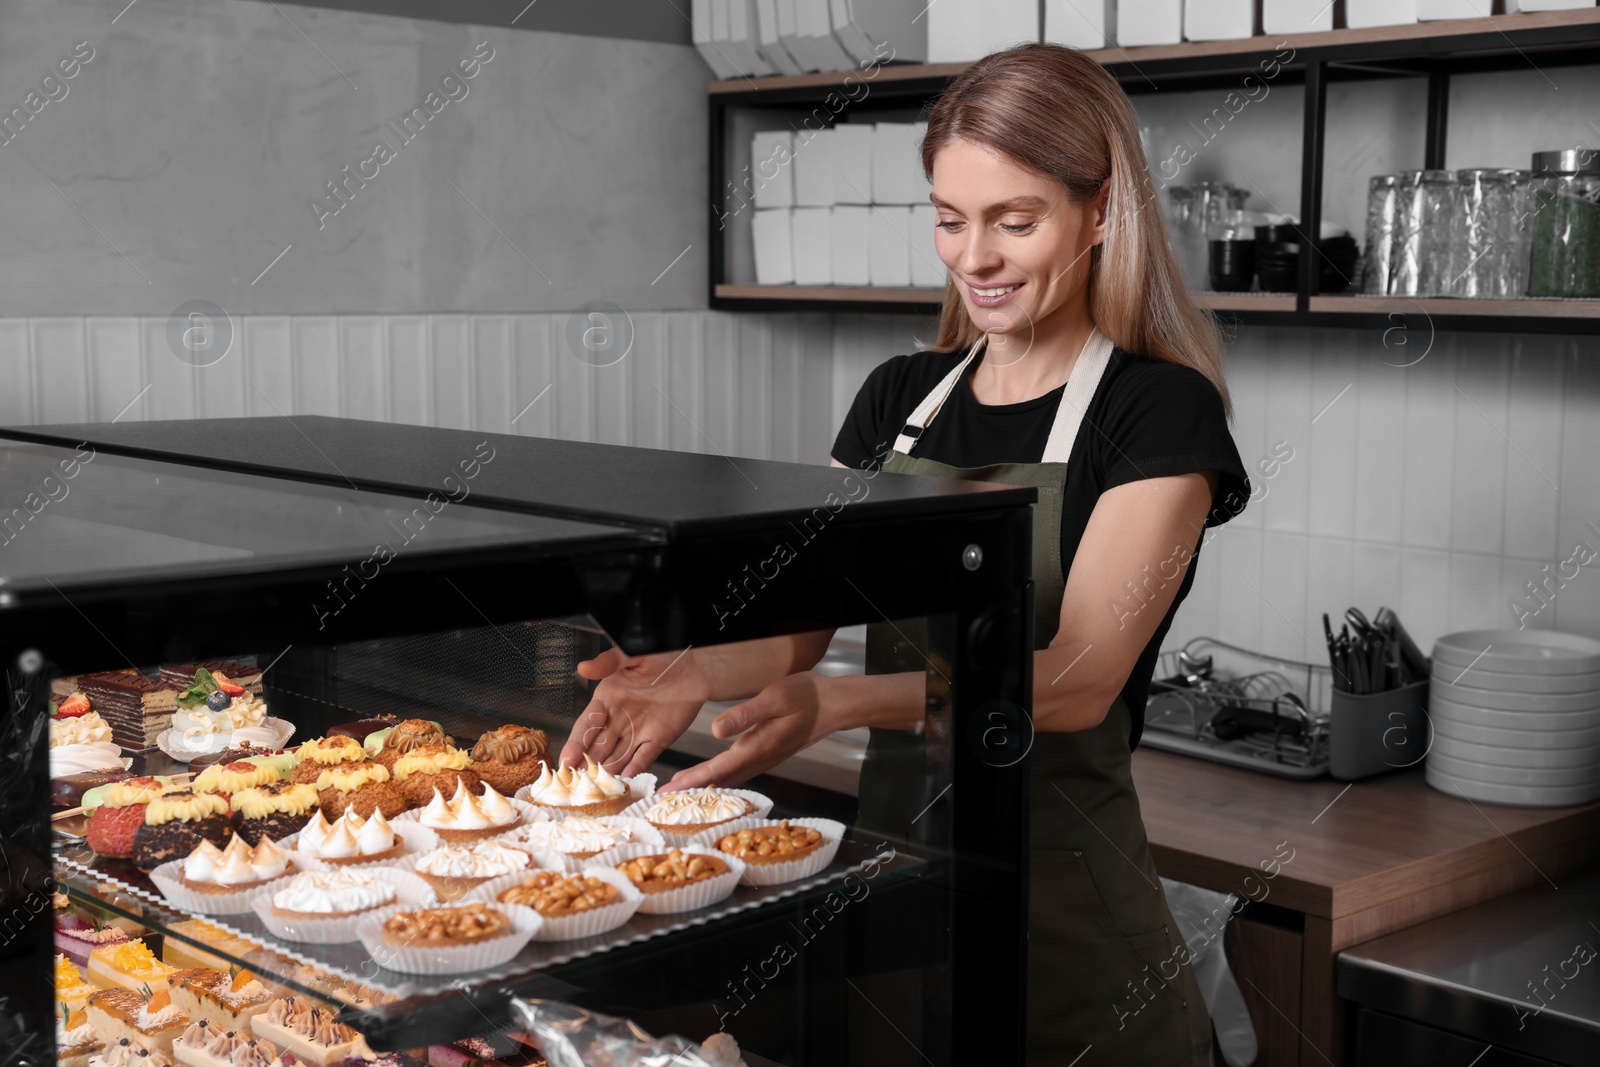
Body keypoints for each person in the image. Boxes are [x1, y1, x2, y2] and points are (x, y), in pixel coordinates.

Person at [560, 42, 1250, 1065]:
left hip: (1063, 908)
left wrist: (842, 703)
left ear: (1100, 212)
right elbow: (795, 636)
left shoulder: (1155, 415)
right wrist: (694, 668)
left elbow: (1071, 680)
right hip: (901, 883)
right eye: (949, 218)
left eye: (1015, 221)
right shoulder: (897, 402)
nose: (975, 256)